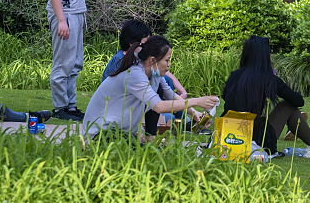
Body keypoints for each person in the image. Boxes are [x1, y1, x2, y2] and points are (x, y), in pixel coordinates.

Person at [221, 35, 310, 160]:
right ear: (265, 56)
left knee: (260, 118)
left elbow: (225, 96)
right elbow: (298, 101)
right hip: (253, 138)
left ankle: (306, 142)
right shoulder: (268, 79)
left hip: (227, 134)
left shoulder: (235, 75)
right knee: (287, 106)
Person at [83, 35, 218, 143]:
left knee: (150, 152)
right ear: (153, 60)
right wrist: (197, 101)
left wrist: (194, 113)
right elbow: (159, 106)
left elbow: (170, 95)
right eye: (167, 60)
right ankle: (148, 139)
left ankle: (149, 138)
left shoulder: (154, 74)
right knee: (145, 155)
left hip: (122, 133)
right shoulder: (134, 74)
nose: (169, 65)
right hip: (100, 133)